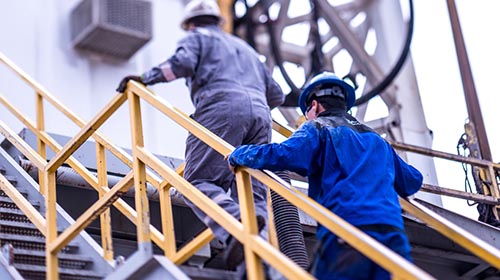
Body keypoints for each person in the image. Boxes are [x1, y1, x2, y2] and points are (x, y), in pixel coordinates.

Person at [116, 0, 284, 270]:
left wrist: (145, 78)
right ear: (218, 20)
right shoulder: (246, 48)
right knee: (254, 193)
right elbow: (277, 94)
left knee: (198, 181)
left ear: (191, 23)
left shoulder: (197, 38)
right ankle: (259, 263)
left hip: (221, 107)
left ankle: (237, 226)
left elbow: (181, 63)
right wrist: (252, 106)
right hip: (262, 116)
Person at [227, 71, 423, 279]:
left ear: (315, 106)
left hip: (347, 235)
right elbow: (413, 181)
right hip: (393, 238)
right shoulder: (379, 141)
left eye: (307, 112)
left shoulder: (319, 127)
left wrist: (240, 154)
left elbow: (284, 154)